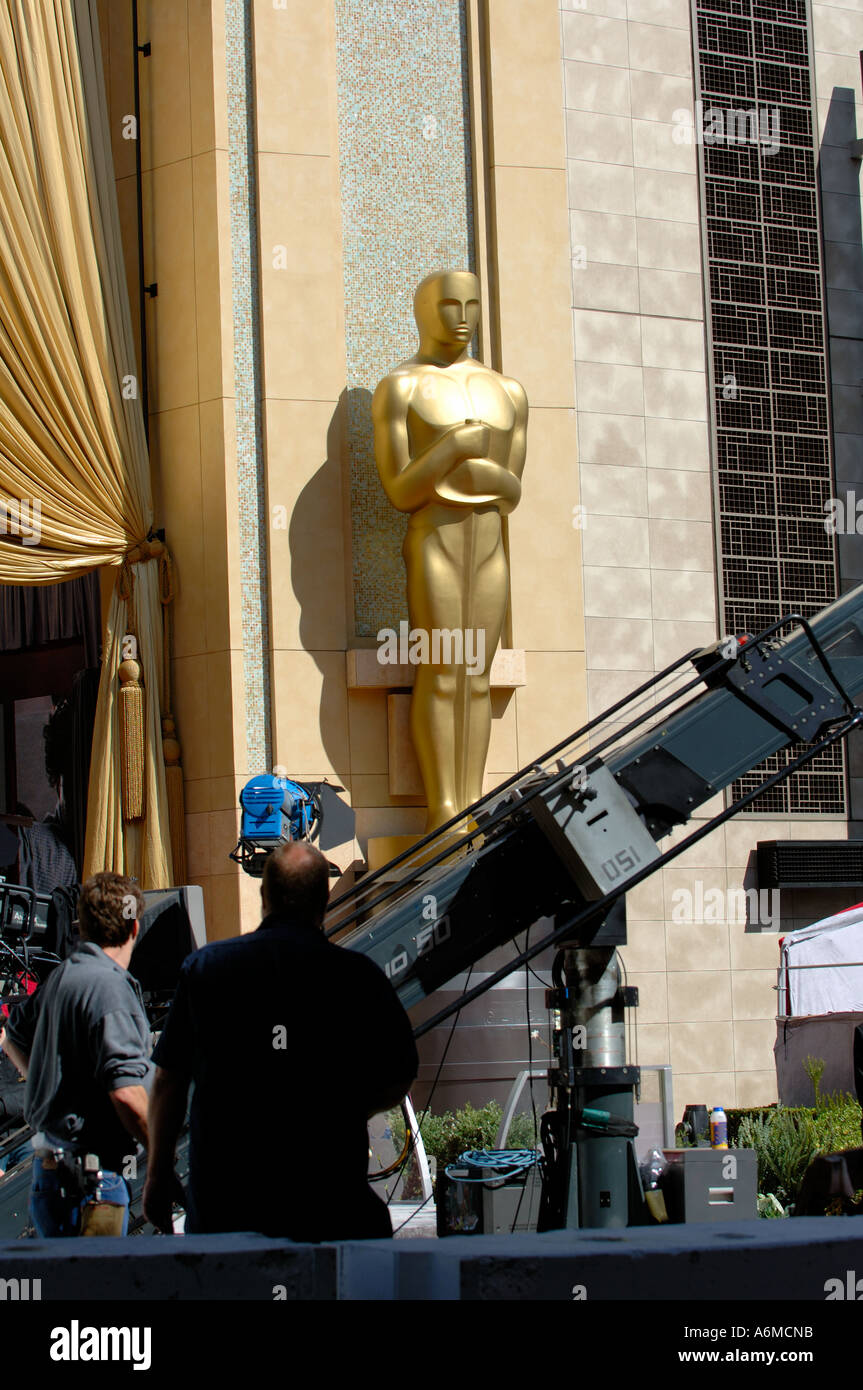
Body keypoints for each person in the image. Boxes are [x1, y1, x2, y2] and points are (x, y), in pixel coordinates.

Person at [143, 841, 419, 1240]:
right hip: (328, 1209)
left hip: (225, 1211)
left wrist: (156, 1174)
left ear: (263, 896)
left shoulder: (205, 970)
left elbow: (169, 1080)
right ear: (323, 902)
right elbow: (400, 1072)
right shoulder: (358, 977)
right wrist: (341, 1105)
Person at [372, 268, 527, 831]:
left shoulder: (508, 392)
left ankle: (471, 797)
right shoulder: (402, 387)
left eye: (471, 305)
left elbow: (511, 491)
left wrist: (470, 470)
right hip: (435, 541)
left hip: (488, 547)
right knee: (442, 672)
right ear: (423, 311)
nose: (461, 318)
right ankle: (444, 805)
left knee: (477, 678)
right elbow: (400, 489)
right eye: (448, 306)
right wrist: (451, 452)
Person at [1, 872, 152, 1236]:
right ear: (133, 928)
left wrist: (46, 1087)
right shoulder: (109, 989)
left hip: (52, 1174)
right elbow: (126, 1092)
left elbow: (12, 1037)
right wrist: (160, 1154)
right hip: (92, 1185)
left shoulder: (62, 976)